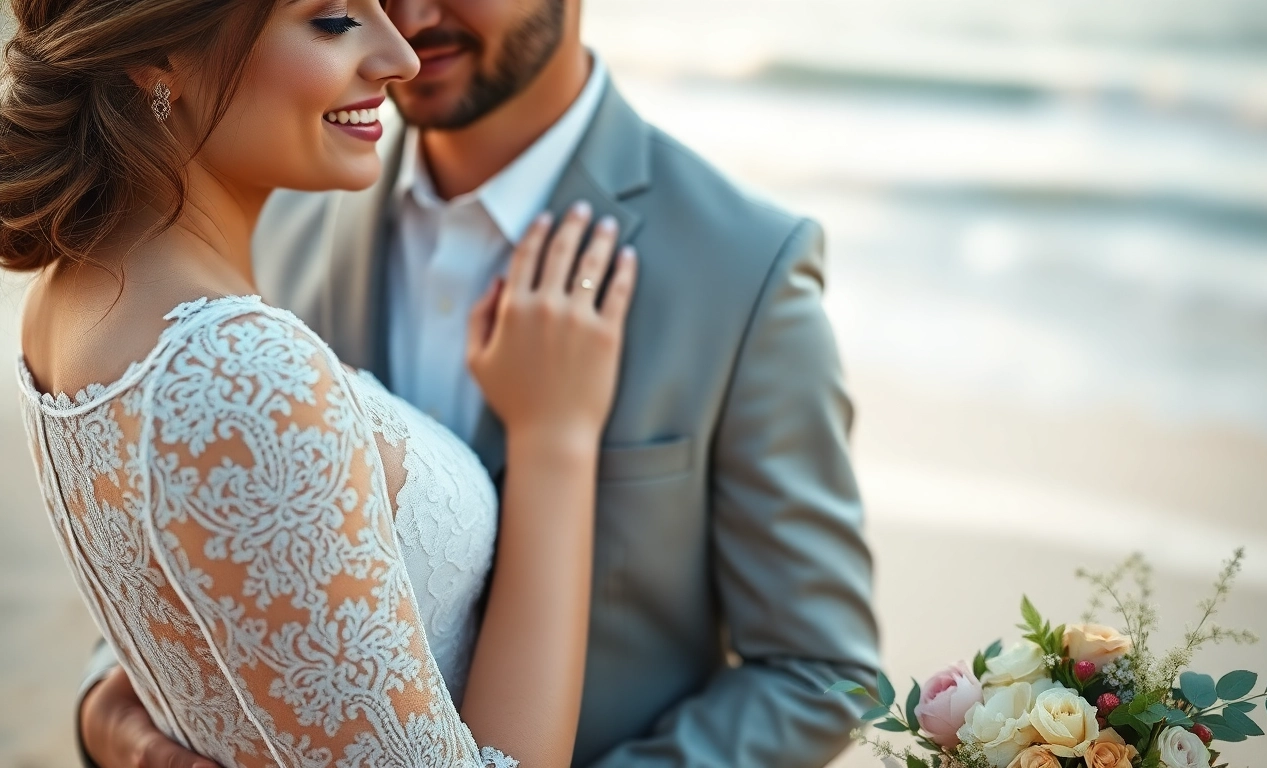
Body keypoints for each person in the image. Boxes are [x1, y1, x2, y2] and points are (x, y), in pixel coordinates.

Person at [69, 0, 883, 766]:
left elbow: (820, 670)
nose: (412, 20)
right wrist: (114, 712)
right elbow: (196, 519)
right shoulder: (273, 210)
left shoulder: (742, 268)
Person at [4, 0, 635, 765]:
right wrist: (554, 440)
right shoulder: (238, 373)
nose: (400, 57)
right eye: (334, 20)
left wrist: (122, 724)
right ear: (157, 58)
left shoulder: (75, 295)